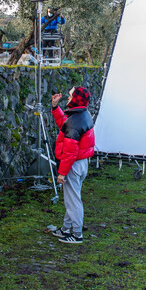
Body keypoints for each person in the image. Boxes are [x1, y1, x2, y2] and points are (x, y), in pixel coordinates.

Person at [50, 86, 95, 244]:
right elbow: (65, 123)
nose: (68, 98)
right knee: (73, 198)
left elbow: (70, 152)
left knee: (73, 201)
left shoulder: (75, 121)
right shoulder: (82, 114)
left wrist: (62, 173)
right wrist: (55, 107)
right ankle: (65, 228)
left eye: (70, 95)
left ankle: (77, 234)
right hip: (81, 164)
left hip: (73, 166)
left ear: (76, 98)